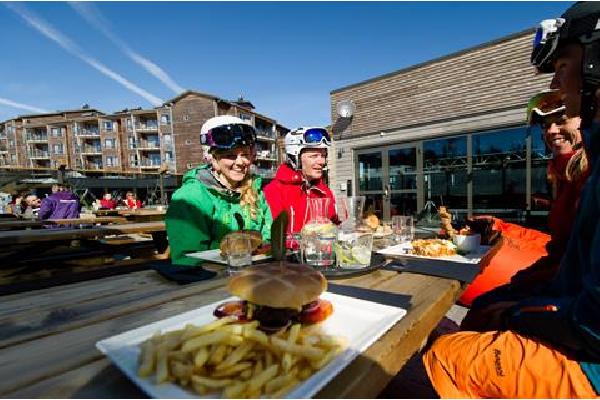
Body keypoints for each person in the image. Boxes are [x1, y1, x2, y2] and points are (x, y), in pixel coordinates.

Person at [423, 3, 600, 397]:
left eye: (563, 66)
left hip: (589, 359)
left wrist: (517, 314)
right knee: (482, 312)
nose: (557, 81)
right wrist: (503, 229)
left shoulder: (588, 171)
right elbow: (564, 251)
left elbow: (591, 317)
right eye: (545, 124)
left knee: (445, 354)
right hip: (575, 316)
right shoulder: (579, 171)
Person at [458, 91, 589, 307]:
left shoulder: (589, 175)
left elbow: (581, 262)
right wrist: (499, 226)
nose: (551, 131)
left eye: (561, 120)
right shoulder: (565, 174)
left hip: (576, 300)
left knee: (484, 310)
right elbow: (557, 245)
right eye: (545, 126)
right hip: (562, 280)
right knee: (487, 303)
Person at [166, 116, 272, 266]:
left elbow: (268, 241)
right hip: (211, 276)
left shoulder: (256, 192)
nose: (240, 162)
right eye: (230, 155)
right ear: (213, 159)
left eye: (245, 154)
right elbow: (188, 259)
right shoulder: (191, 198)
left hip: (256, 273)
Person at [263, 127, 337, 241]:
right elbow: (273, 237)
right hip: (289, 253)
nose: (322, 162)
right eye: (314, 156)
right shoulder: (274, 191)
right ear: (295, 158)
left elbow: (335, 226)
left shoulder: (325, 192)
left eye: (323, 156)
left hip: (321, 252)